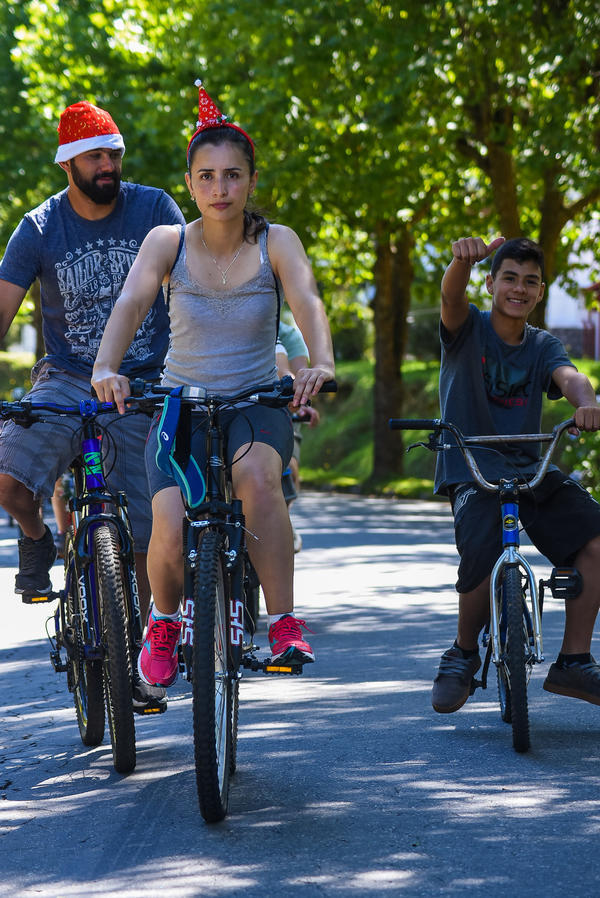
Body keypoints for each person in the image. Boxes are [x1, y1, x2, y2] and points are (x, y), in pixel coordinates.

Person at [91, 80, 335, 689]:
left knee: (256, 479)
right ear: (190, 182)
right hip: (181, 407)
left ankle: (282, 623)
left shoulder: (275, 242)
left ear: (251, 180)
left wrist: (318, 362)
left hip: (256, 402)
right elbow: (129, 302)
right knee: (168, 521)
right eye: (206, 176)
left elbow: (306, 300)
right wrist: (105, 366)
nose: (219, 189)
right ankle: (164, 624)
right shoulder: (167, 242)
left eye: (232, 175)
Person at [0, 100, 185, 709]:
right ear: (68, 164)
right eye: (94, 157)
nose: (107, 166)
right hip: (69, 377)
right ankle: (37, 538)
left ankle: (131, 662)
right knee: (8, 479)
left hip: (144, 381)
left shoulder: (156, 208)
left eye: (114, 155)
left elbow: (193, 287)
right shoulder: (38, 227)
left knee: (140, 535)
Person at [432, 234, 600, 714]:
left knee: (595, 539)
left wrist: (586, 404)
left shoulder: (543, 344)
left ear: (541, 291)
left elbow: (569, 377)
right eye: (509, 278)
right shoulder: (467, 329)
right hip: (470, 466)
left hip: (531, 464)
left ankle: (574, 660)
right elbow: (450, 296)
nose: (519, 289)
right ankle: (464, 651)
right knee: (482, 552)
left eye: (530, 281)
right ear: (491, 283)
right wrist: (459, 259)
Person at [276, 320, 321, 552]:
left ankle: (282, 520)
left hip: (278, 409)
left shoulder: (288, 335)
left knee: (288, 468)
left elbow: (296, 381)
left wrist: (300, 402)